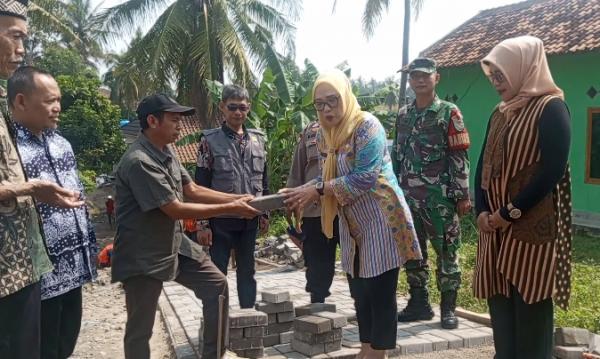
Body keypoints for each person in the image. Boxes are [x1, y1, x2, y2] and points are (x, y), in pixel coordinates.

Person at [282, 70, 421, 359]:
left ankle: (379, 352)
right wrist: (298, 192)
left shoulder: (367, 126)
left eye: (332, 101)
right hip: (351, 220)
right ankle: (366, 347)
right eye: (319, 104)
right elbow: (324, 175)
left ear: (345, 96)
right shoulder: (323, 134)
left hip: (382, 217)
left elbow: (364, 178)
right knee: (359, 289)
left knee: (380, 289)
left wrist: (317, 190)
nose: (327, 109)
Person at [111, 93, 261, 359]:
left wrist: (237, 198)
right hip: (142, 254)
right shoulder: (139, 162)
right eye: (174, 119)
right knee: (140, 329)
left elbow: (190, 189)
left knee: (216, 285)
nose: (180, 125)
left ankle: (213, 355)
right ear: (152, 121)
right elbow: (175, 209)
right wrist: (231, 208)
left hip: (173, 243)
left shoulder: (166, 150)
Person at [474, 36, 572, 359]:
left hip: (530, 234)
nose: (497, 83)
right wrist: (482, 211)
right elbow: (482, 166)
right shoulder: (499, 113)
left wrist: (510, 212)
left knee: (531, 316)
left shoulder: (551, 108)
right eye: (494, 77)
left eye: (501, 74)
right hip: (495, 232)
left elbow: (552, 171)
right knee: (502, 314)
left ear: (523, 67)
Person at [0, 2, 85, 358]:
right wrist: (31, 188)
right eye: (15, 36)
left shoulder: (3, 102)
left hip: (23, 267)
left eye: (25, 38)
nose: (21, 48)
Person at [8, 66, 98, 359]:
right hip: (39, 275)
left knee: (66, 343)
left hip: (73, 267)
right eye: (49, 101)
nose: (57, 107)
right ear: (21, 102)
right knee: (42, 348)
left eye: (58, 100)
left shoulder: (62, 143)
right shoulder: (10, 149)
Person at [392, 57, 471, 329]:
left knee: (447, 252)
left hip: (440, 199)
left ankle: (449, 309)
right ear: (410, 80)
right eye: (414, 76)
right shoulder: (403, 115)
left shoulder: (449, 112)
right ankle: (419, 304)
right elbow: (396, 155)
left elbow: (459, 156)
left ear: (436, 78)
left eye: (425, 75)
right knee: (413, 253)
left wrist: (462, 195)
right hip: (407, 198)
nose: (420, 80)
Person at [195, 85, 269, 309]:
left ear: (249, 109)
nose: (238, 112)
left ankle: (248, 319)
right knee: (217, 274)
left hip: (249, 219)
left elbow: (264, 181)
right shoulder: (209, 141)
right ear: (222, 108)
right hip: (221, 220)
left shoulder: (258, 140)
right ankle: (218, 323)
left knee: (248, 271)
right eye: (233, 107)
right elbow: (200, 184)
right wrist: (202, 224)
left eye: (243, 108)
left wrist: (265, 213)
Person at [286, 120, 339, 304]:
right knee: (317, 264)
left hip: (346, 209)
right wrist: (293, 205)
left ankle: (365, 310)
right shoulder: (310, 131)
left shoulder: (354, 126)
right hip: (314, 210)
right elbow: (297, 170)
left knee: (357, 263)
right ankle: (318, 307)